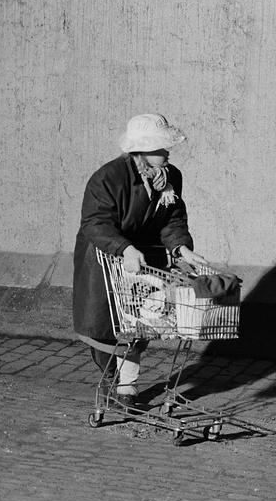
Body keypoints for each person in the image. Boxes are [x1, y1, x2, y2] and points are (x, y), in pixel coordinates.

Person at [72, 113, 208, 407]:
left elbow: (172, 220)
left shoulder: (171, 177)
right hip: (106, 256)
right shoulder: (107, 178)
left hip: (145, 259)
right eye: (161, 147)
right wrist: (125, 249)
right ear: (141, 150)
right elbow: (96, 222)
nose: (168, 151)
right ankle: (113, 381)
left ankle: (127, 389)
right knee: (106, 327)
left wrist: (181, 248)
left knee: (138, 323)